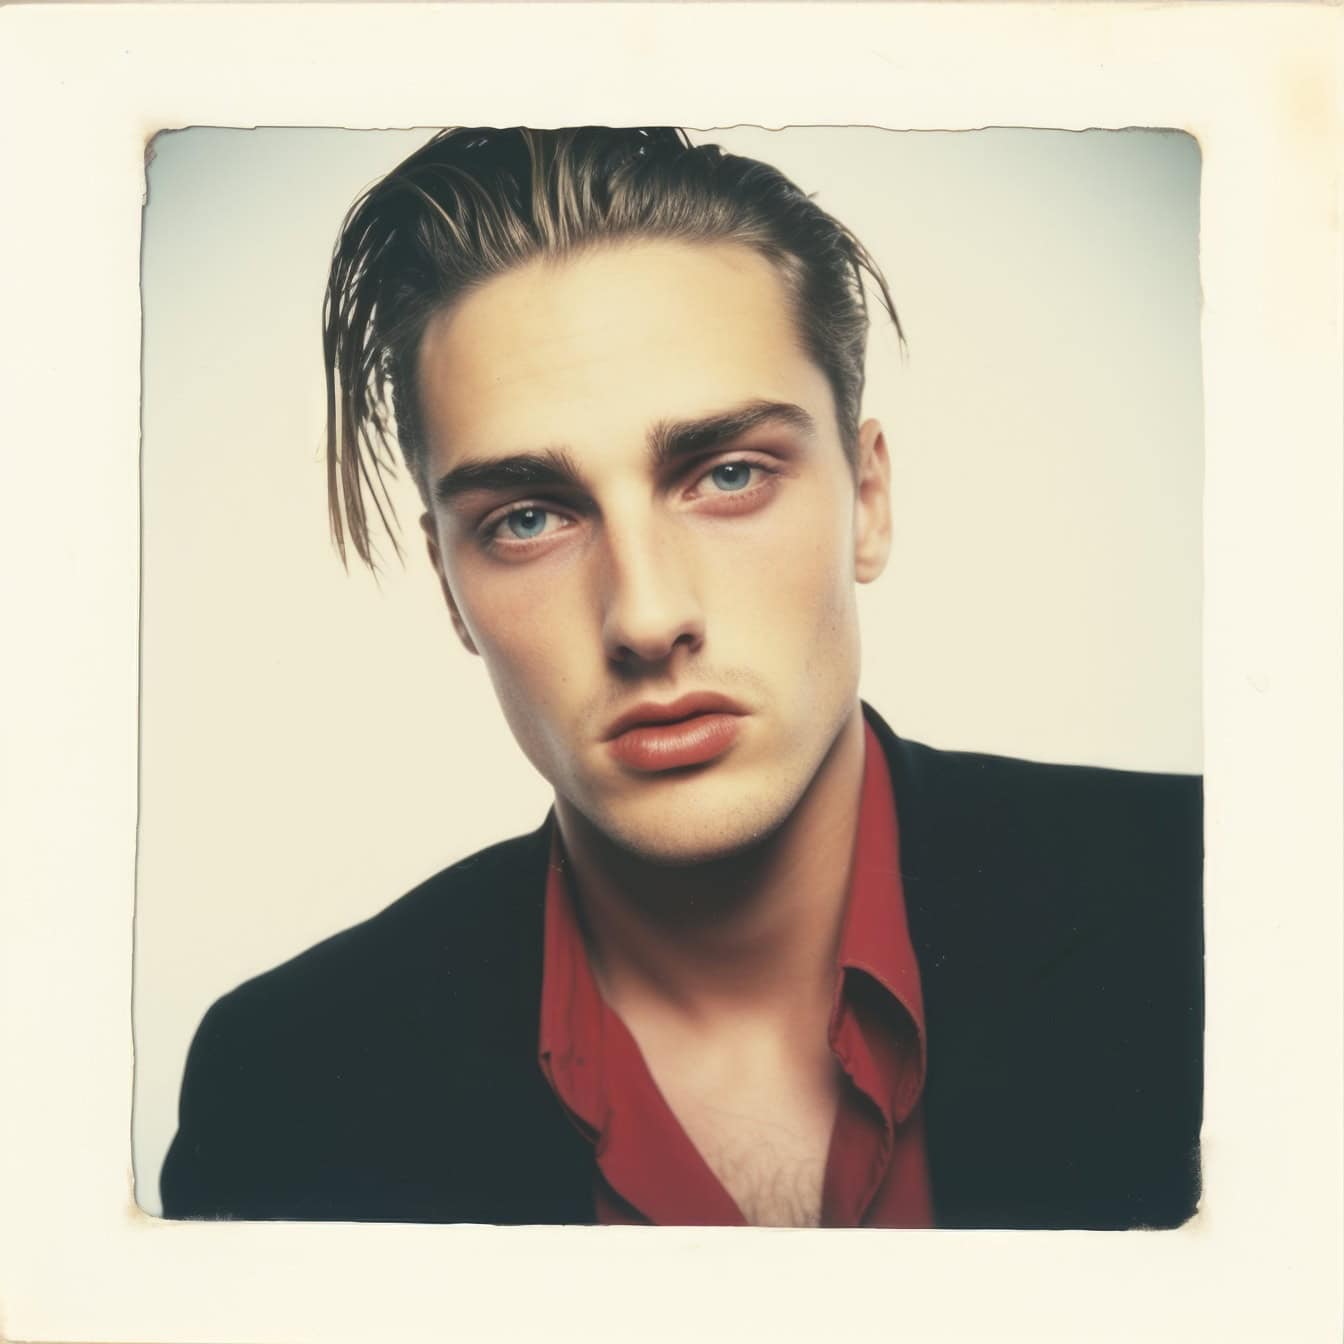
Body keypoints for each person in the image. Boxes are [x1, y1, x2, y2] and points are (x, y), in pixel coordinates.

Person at [160, 127, 1203, 1229]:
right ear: (448, 585)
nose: (648, 617)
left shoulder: (1234, 912)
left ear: (869, 498)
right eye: (527, 518)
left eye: (729, 474)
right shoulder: (283, 1098)